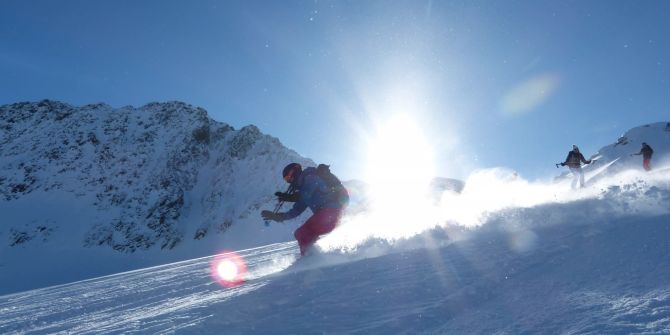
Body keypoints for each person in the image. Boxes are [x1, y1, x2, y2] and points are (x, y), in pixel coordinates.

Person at [261, 163, 348, 256]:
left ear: (295, 171)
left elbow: (306, 194)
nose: (290, 181)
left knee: (302, 233)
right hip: (329, 215)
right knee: (302, 234)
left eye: (289, 177)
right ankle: (316, 257)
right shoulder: (303, 189)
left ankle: (311, 258)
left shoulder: (310, 176)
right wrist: (279, 217)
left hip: (331, 212)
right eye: (287, 180)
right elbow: (296, 210)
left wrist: (289, 197)